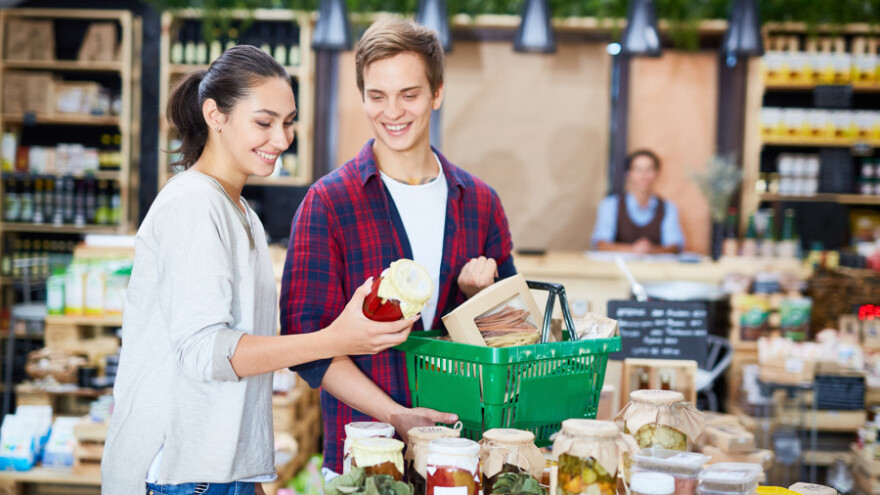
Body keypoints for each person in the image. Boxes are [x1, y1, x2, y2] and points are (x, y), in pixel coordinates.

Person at [102, 46, 419, 495]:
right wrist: (337, 338)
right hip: (182, 475)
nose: (283, 138)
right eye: (264, 122)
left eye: (288, 122)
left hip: (225, 472)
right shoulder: (191, 204)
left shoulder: (240, 211)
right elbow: (207, 351)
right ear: (215, 115)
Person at [280, 19, 517, 479]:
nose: (393, 112)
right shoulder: (329, 203)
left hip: (465, 457)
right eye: (377, 96)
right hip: (367, 462)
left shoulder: (481, 202)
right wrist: (395, 415)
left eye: (409, 94)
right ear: (362, 95)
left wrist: (477, 300)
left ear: (437, 93)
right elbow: (306, 346)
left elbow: (512, 336)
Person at [591, 149, 685, 254]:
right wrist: (632, 250)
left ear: (656, 173)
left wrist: (652, 250)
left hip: (655, 269)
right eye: (638, 170)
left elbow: (675, 247)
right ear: (628, 174)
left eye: (649, 169)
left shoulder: (668, 208)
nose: (644, 175)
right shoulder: (610, 205)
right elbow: (600, 244)